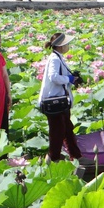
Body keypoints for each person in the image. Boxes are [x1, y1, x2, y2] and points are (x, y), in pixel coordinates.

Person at [39, 32, 82, 162]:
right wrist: (69, 78)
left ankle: (76, 156)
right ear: (60, 46)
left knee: (68, 129)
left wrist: (72, 78)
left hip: (61, 100)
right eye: (66, 44)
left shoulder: (58, 57)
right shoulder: (54, 58)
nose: (68, 46)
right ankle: (52, 159)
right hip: (54, 101)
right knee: (57, 132)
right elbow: (53, 77)